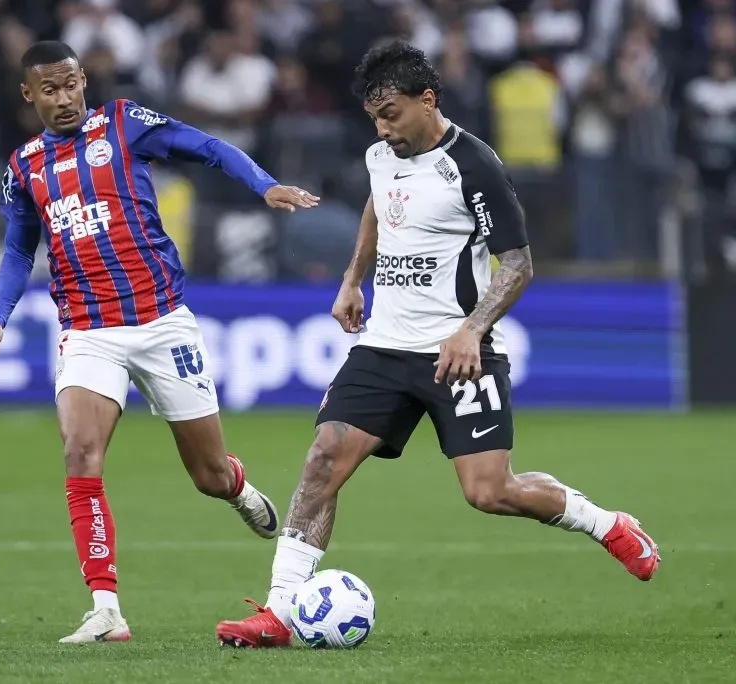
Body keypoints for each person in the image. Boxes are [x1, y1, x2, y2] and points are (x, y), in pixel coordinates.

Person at [214, 40, 661, 649]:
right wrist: (352, 278)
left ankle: (605, 522)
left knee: (489, 491)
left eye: (391, 113)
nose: (382, 128)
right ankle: (278, 612)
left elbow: (519, 264)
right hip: (384, 347)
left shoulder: (474, 165)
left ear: (428, 100)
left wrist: (472, 327)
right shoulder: (381, 154)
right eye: (374, 116)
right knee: (323, 461)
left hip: (459, 351)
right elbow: (380, 204)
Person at [0, 40, 319, 644]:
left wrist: (263, 185)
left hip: (162, 323)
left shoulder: (125, 123)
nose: (63, 99)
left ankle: (236, 486)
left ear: (84, 79)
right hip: (87, 329)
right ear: (28, 95)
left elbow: (207, 147)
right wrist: (0, 315)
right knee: (80, 453)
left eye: (70, 84)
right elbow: (17, 247)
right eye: (48, 90)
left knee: (207, 474)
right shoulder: (25, 165)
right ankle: (106, 608)